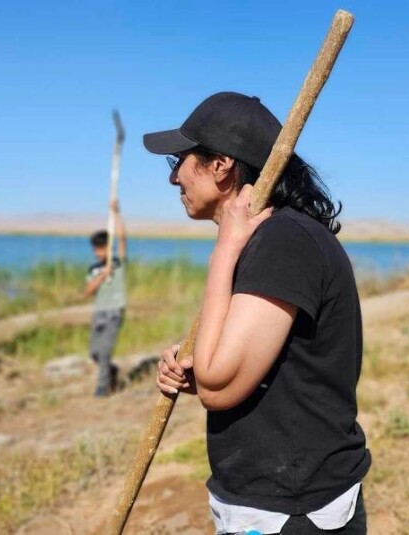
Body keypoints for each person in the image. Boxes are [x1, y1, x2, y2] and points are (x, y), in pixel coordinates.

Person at [147, 92, 371, 534]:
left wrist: (223, 252)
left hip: (292, 511)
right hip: (270, 500)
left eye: (180, 161)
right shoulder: (273, 239)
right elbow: (252, 370)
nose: (174, 178)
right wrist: (199, 370)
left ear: (221, 165)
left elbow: (220, 385)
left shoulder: (282, 242)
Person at [84, 199, 127, 397]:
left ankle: (102, 388)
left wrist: (116, 214)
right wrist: (102, 275)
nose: (97, 252)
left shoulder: (117, 262)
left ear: (107, 248)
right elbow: (88, 292)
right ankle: (110, 370)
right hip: (99, 311)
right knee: (94, 352)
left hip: (114, 311)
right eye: (95, 249)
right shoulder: (93, 269)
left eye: (101, 248)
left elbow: (122, 239)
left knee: (104, 352)